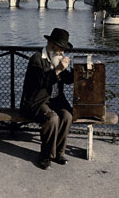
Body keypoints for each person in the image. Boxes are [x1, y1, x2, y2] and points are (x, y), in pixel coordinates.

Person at [20, 28, 74, 170]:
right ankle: (45, 155)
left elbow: (68, 79)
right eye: (60, 48)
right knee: (52, 118)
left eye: (64, 49)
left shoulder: (57, 60)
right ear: (50, 43)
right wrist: (58, 70)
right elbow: (41, 82)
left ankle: (58, 153)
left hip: (55, 101)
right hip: (36, 101)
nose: (62, 52)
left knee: (67, 116)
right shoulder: (36, 59)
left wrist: (80, 70)